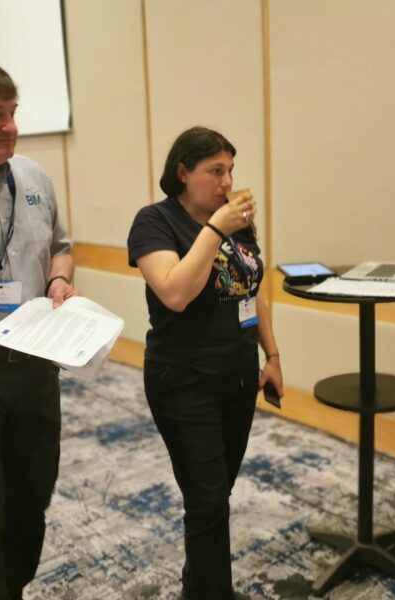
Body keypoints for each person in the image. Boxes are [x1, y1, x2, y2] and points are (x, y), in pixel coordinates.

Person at [127, 126, 283, 600]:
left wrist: (272, 355)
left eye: (230, 170)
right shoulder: (155, 222)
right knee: (208, 500)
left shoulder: (235, 223)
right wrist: (215, 230)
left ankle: (197, 586)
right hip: (183, 380)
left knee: (215, 494)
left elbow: (252, 291)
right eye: (215, 171)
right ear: (183, 172)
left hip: (238, 376)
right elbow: (175, 292)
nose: (226, 181)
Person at [0, 58, 78, 599]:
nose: (11, 126)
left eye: (13, 112)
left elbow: (61, 247)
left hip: (37, 365)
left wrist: (59, 279)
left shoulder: (36, 179)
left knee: (30, 499)